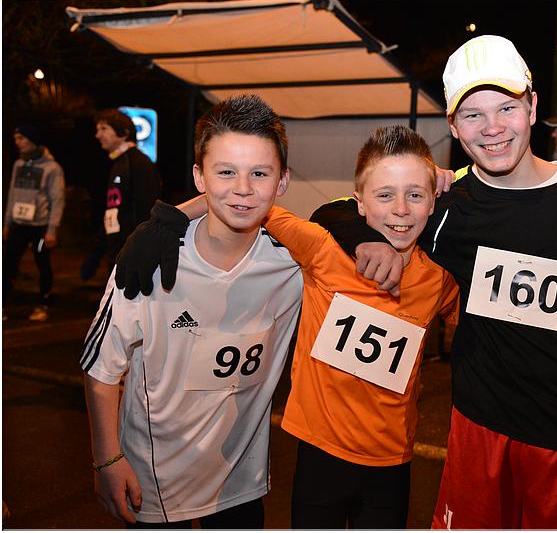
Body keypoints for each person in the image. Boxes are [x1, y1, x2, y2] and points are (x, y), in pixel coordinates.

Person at [306, 35, 557, 529]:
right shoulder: (446, 204)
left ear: (532, 107)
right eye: (473, 114)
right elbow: (335, 210)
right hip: (478, 429)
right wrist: (367, 241)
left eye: (506, 108)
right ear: (454, 126)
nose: (492, 128)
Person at [113, 125, 460, 528]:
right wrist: (169, 218)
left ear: (433, 203)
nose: (400, 209)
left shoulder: (439, 279)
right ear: (359, 204)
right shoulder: (323, 250)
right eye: (385, 195)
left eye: (415, 195)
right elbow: (251, 203)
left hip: (393, 460)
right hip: (319, 453)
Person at [80, 95, 303, 527]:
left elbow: (365, 215)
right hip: (154, 482)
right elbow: (101, 368)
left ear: (282, 181)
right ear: (199, 176)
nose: (243, 187)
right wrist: (106, 459)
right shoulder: (150, 259)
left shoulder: (293, 263)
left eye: (260, 173)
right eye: (225, 172)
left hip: (241, 482)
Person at [3, 125, 65, 322]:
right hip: (18, 225)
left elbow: (57, 199)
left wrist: (52, 229)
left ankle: (43, 304)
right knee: (7, 263)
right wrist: (6, 223)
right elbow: (12, 194)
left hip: (40, 226)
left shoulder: (52, 168)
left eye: (21, 138)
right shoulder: (19, 164)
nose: (17, 142)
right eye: (16, 138)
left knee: (42, 263)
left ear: (33, 140)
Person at [93, 108, 162, 271]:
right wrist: (98, 250)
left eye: (104, 129)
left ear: (123, 133)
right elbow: (113, 209)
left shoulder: (139, 164)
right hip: (118, 252)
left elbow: (147, 210)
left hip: (131, 254)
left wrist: (136, 251)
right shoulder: (119, 163)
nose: (97, 135)